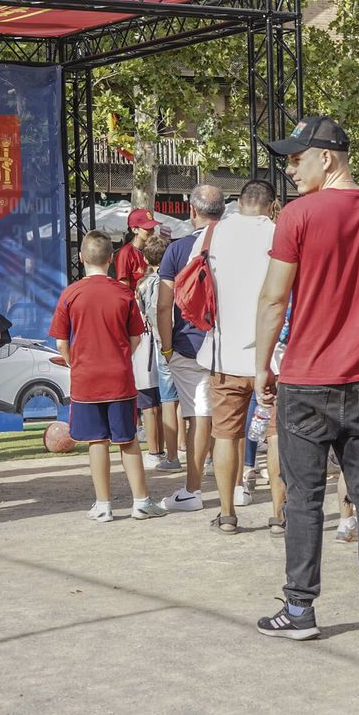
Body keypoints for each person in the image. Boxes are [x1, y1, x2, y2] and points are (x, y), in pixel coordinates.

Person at [252, 117, 359, 643]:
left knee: (303, 498)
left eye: (297, 159)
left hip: (304, 380)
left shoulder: (297, 216)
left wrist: (261, 367)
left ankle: (300, 610)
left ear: (328, 157)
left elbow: (275, 297)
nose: (290, 169)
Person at [50, 232, 163, 522]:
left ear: (82, 258)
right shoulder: (124, 293)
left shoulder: (70, 294)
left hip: (86, 379)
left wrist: (75, 362)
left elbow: (61, 343)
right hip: (119, 378)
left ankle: (103, 505)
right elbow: (136, 336)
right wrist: (121, 355)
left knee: (96, 442)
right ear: (111, 259)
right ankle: (141, 502)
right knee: (127, 441)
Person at [199, 179, 280, 534]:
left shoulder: (212, 235)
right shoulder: (281, 234)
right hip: (276, 356)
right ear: (272, 205)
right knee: (278, 436)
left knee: (226, 435)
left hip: (224, 354)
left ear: (239, 202)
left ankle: (228, 514)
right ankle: (279, 514)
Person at [156, 184, 225, 512]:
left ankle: (194, 490)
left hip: (187, 344)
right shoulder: (233, 245)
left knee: (199, 415)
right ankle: (235, 487)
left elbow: (163, 305)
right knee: (227, 414)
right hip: (227, 343)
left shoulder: (177, 250)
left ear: (192, 211)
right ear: (222, 212)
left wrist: (167, 349)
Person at [136, 233, 180, 470]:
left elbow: (146, 316)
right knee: (184, 401)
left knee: (166, 401)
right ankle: (184, 447)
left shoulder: (144, 285)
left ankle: (167, 455)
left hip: (159, 345)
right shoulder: (177, 279)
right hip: (178, 340)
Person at [115, 208, 158, 291]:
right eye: (147, 228)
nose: (152, 230)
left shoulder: (152, 249)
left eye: (152, 227)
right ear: (134, 230)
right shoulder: (126, 253)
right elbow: (123, 287)